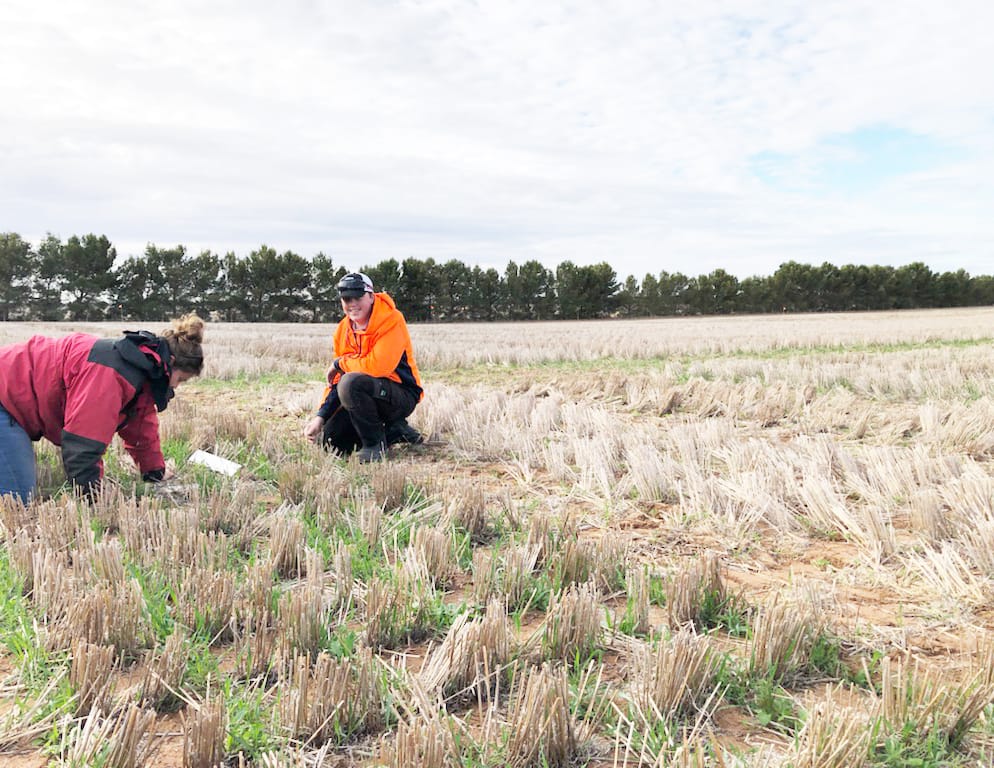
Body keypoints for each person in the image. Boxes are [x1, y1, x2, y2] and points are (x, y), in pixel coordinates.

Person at [0, 314, 205, 503]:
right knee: (16, 500)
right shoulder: (111, 374)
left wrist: (155, 472)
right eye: (181, 379)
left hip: (15, 400)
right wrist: (93, 495)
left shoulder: (140, 372)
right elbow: (82, 445)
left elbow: (141, 428)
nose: (176, 387)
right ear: (170, 363)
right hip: (5, 399)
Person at [303, 272, 423, 462]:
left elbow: (378, 367)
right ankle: (394, 431)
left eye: (357, 297)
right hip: (364, 393)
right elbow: (337, 381)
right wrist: (321, 417)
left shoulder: (391, 320)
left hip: (401, 395)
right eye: (346, 298)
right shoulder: (343, 329)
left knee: (351, 382)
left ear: (371, 296)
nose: (352, 303)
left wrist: (339, 364)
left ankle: (375, 445)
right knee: (330, 442)